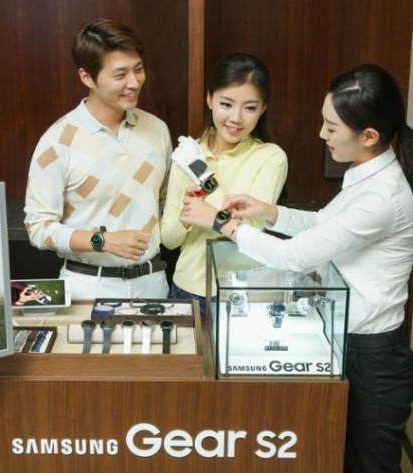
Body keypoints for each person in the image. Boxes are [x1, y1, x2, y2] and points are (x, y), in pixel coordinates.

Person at [180, 64, 413, 473]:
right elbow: (323, 223)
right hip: (344, 340)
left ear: (369, 136)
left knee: (369, 464)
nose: (322, 134)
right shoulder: (366, 173)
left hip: (372, 357)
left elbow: (294, 256)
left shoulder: (383, 197)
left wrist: (221, 222)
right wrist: (267, 211)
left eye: (331, 127)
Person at [24, 18, 172, 300]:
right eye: (120, 74)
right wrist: (101, 241)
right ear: (87, 77)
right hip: (87, 286)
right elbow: (38, 229)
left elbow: (165, 202)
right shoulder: (57, 141)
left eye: (138, 69)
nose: (134, 82)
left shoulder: (157, 129)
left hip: (153, 282)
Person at [160, 53, 287, 315]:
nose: (236, 118)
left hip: (237, 293)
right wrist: (186, 218)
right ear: (209, 99)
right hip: (184, 288)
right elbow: (169, 240)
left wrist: (205, 180)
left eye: (250, 107)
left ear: (263, 108)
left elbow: (251, 231)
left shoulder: (271, 157)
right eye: (226, 104)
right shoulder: (189, 154)